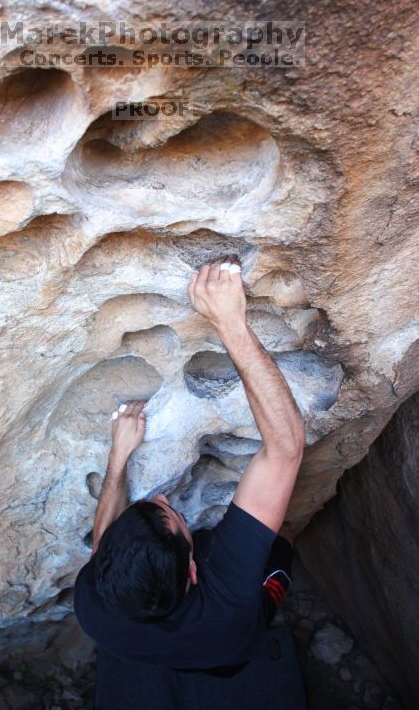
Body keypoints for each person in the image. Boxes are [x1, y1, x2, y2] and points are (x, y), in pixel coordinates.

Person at [74, 259, 307, 709]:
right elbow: (285, 448)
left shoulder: (95, 605)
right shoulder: (228, 593)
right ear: (196, 572)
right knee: (278, 554)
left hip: (167, 649)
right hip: (233, 646)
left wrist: (119, 456)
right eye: (175, 517)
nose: (163, 497)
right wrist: (228, 322)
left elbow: (104, 542)